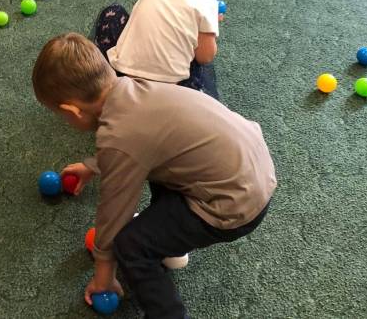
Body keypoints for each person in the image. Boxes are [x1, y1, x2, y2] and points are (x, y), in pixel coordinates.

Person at [32, 33, 276, 318]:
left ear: (72, 111)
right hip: (254, 169)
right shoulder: (135, 88)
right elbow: (140, 144)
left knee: (130, 245)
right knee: (161, 164)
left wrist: (104, 273)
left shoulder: (118, 135)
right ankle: (170, 245)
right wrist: (93, 165)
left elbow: (113, 213)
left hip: (234, 205)